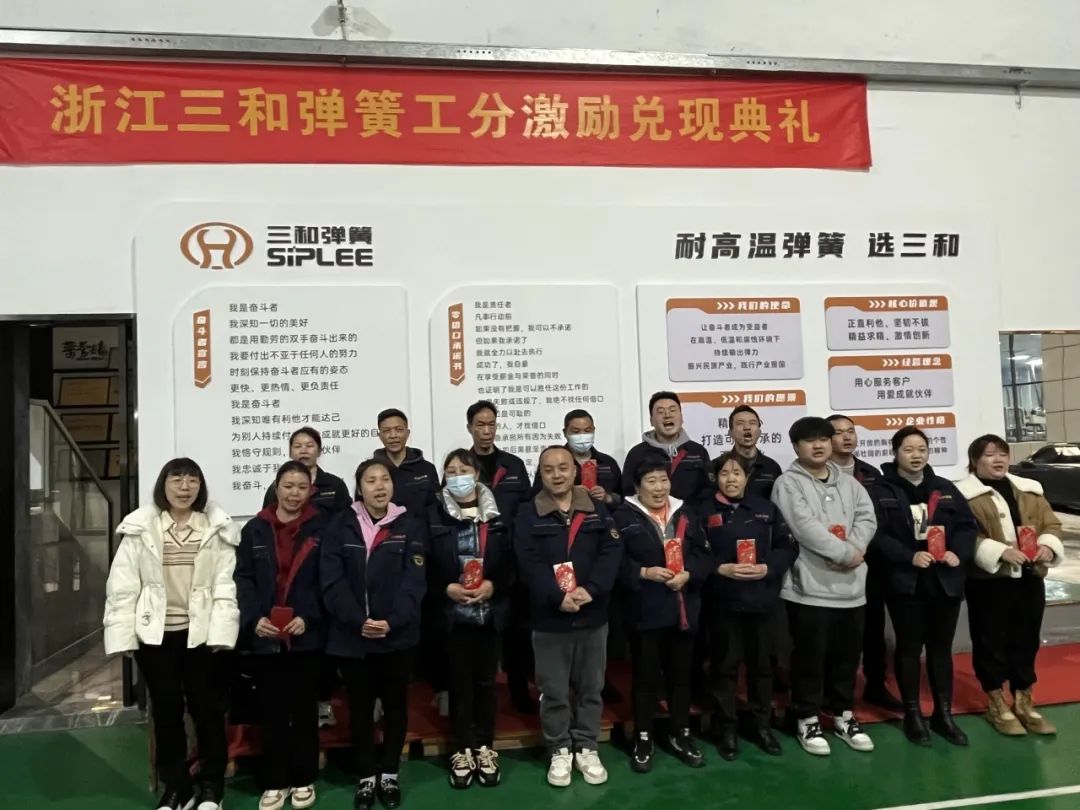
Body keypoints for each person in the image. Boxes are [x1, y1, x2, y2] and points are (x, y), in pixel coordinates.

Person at [103, 458, 239, 810]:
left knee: (207, 712)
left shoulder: (215, 528)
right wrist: (122, 636)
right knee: (166, 713)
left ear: (200, 487)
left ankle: (211, 786)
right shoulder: (142, 528)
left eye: (192, 480)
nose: (184, 487)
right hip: (156, 637)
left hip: (201, 636)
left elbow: (225, 586)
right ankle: (176, 787)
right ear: (163, 485)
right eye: (176, 479)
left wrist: (221, 634)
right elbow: (122, 586)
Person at [321, 460, 427, 810]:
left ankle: (390, 772)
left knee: (396, 708)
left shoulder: (409, 524)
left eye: (385, 479)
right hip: (354, 638)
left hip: (397, 638)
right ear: (359, 487)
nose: (379, 486)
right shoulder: (341, 525)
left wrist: (391, 621)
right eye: (371, 480)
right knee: (360, 709)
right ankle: (366, 775)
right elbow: (331, 580)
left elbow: (415, 582)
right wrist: (358, 620)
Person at [516, 446, 622, 788]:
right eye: (549, 470)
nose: (557, 475)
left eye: (563, 468)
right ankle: (559, 748)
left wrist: (591, 590)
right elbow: (528, 562)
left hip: (593, 615)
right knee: (554, 690)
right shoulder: (528, 513)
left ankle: (587, 746)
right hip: (550, 619)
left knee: (592, 688)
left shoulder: (597, 509)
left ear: (575, 471)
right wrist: (556, 597)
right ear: (541, 474)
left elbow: (612, 551)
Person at [771, 417, 877, 757]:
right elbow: (804, 528)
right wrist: (845, 553)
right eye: (809, 441)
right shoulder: (787, 484)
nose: (817, 446)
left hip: (852, 589)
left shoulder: (850, 483)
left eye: (823, 439)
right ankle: (807, 718)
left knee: (847, 658)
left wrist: (854, 550)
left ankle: (843, 714)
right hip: (809, 590)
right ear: (795, 447)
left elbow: (867, 518)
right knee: (809, 659)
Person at [867, 427, 976, 747]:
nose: (916, 456)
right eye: (908, 449)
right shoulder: (880, 490)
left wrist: (957, 552)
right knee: (909, 649)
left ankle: (944, 714)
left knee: (941, 650)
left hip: (944, 582)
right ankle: (913, 714)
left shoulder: (945, 488)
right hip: (905, 582)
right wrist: (908, 556)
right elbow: (875, 534)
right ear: (895, 452)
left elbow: (967, 526)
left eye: (922, 449)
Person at [235, 461, 330, 809]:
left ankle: (303, 777)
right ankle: (274, 781)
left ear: (310, 491)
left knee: (304, 710)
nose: (294, 493)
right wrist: (253, 618)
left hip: (306, 637)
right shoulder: (255, 529)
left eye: (301, 487)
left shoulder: (324, 527)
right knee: (271, 711)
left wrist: (309, 617)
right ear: (276, 488)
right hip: (266, 636)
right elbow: (243, 578)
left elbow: (329, 579)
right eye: (288, 486)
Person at [956, 434, 1064, 737]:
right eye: (989, 454)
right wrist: (999, 551)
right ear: (975, 461)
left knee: (1026, 640)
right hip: (989, 582)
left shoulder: (1029, 489)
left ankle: (1024, 701)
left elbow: (1051, 524)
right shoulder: (963, 495)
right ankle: (996, 703)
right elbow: (963, 535)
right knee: (990, 642)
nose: (998, 459)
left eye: (1002, 453)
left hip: (1030, 578)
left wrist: (1047, 546)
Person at [614, 460, 710, 772]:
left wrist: (689, 573)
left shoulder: (686, 512)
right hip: (645, 609)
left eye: (663, 480)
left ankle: (680, 733)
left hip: (683, 608)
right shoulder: (623, 516)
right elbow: (614, 561)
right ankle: (643, 736)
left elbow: (704, 553)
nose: (659, 488)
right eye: (651, 481)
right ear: (637, 486)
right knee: (645, 678)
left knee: (681, 677)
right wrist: (644, 572)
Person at [427, 449, 514, 789]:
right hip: (452, 615)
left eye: (464, 469)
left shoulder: (498, 514)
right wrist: (445, 588)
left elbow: (512, 563)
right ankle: (462, 748)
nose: (458, 476)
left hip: (489, 613)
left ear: (477, 474)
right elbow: (422, 563)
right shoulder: (434, 514)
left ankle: (484, 747)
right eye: (451, 471)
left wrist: (494, 585)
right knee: (458, 685)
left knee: (486, 684)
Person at [704, 452, 797, 760]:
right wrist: (719, 568)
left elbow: (787, 547)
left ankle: (761, 726)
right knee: (724, 667)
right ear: (715, 478)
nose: (731, 479)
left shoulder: (765, 509)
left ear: (747, 478)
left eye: (737, 473)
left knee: (762, 668)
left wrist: (768, 568)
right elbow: (693, 551)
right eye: (725, 474)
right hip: (723, 602)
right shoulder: (703, 510)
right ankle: (726, 729)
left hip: (762, 600)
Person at [465, 399, 534, 713]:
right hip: (476, 558)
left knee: (517, 630)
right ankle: (480, 697)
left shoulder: (513, 465)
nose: (486, 430)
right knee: (479, 634)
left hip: (512, 559)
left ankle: (519, 691)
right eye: (480, 424)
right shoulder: (461, 466)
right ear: (470, 428)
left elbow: (527, 509)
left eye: (491, 424)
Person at [827, 413, 899, 712]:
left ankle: (875, 685)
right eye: (838, 432)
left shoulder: (870, 473)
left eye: (851, 431)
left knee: (873, 629)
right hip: (830, 563)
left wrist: (862, 546)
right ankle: (832, 691)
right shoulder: (818, 473)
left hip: (869, 562)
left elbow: (879, 519)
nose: (846, 437)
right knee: (835, 633)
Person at [622, 392, 713, 507]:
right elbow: (628, 494)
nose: (667, 415)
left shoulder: (698, 452)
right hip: (649, 516)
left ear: (681, 418)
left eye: (672, 410)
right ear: (651, 421)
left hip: (690, 516)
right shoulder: (637, 454)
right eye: (660, 412)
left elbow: (708, 491)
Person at [531, 409, 623, 507]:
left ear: (593, 430)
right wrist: (568, 492)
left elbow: (622, 498)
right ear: (565, 432)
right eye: (576, 432)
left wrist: (608, 498)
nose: (582, 436)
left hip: (602, 515)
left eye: (587, 431)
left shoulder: (608, 462)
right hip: (562, 515)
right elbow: (536, 497)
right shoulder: (551, 461)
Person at [262, 427, 352, 515]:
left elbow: (347, 518)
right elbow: (266, 518)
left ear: (319, 451)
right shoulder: (278, 486)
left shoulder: (335, 484)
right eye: (298, 446)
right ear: (290, 453)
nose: (303, 451)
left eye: (309, 446)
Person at [373, 408, 440, 516]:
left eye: (399, 429)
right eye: (386, 431)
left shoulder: (427, 469)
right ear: (380, 436)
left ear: (407, 433)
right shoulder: (370, 471)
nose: (393, 435)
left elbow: (436, 509)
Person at [728, 405, 784, 500]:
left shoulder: (772, 467)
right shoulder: (718, 466)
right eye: (740, 423)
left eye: (752, 423)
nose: (747, 427)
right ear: (730, 433)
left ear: (759, 432)